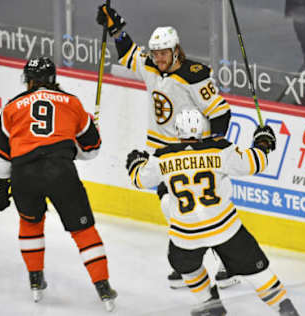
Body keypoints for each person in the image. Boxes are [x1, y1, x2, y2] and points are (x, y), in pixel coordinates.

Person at [96, 4, 237, 289]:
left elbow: (221, 112)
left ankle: (229, 263)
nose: (158, 58)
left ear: (176, 51)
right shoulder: (149, 65)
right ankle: (190, 263)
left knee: (206, 209)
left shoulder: (195, 75)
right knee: (172, 207)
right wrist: (116, 29)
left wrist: (213, 147)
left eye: (163, 53)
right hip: (161, 149)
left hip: (193, 152)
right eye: (156, 52)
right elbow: (128, 53)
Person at [125, 110, 300, 316]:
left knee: (185, 266)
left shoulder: (162, 157)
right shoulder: (219, 149)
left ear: (177, 130)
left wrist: (136, 164)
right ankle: (284, 307)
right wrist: (263, 142)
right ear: (202, 130)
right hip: (225, 228)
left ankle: (210, 303)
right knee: (257, 271)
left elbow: (140, 180)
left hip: (186, 235)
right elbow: (255, 163)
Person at [0, 57, 117, 311]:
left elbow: (2, 154)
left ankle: (35, 281)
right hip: (61, 171)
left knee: (31, 222)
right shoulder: (73, 102)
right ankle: (103, 287)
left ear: (29, 80)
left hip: (24, 173)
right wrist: (79, 140)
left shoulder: (11, 107)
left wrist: (0, 185)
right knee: (83, 230)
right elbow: (91, 150)